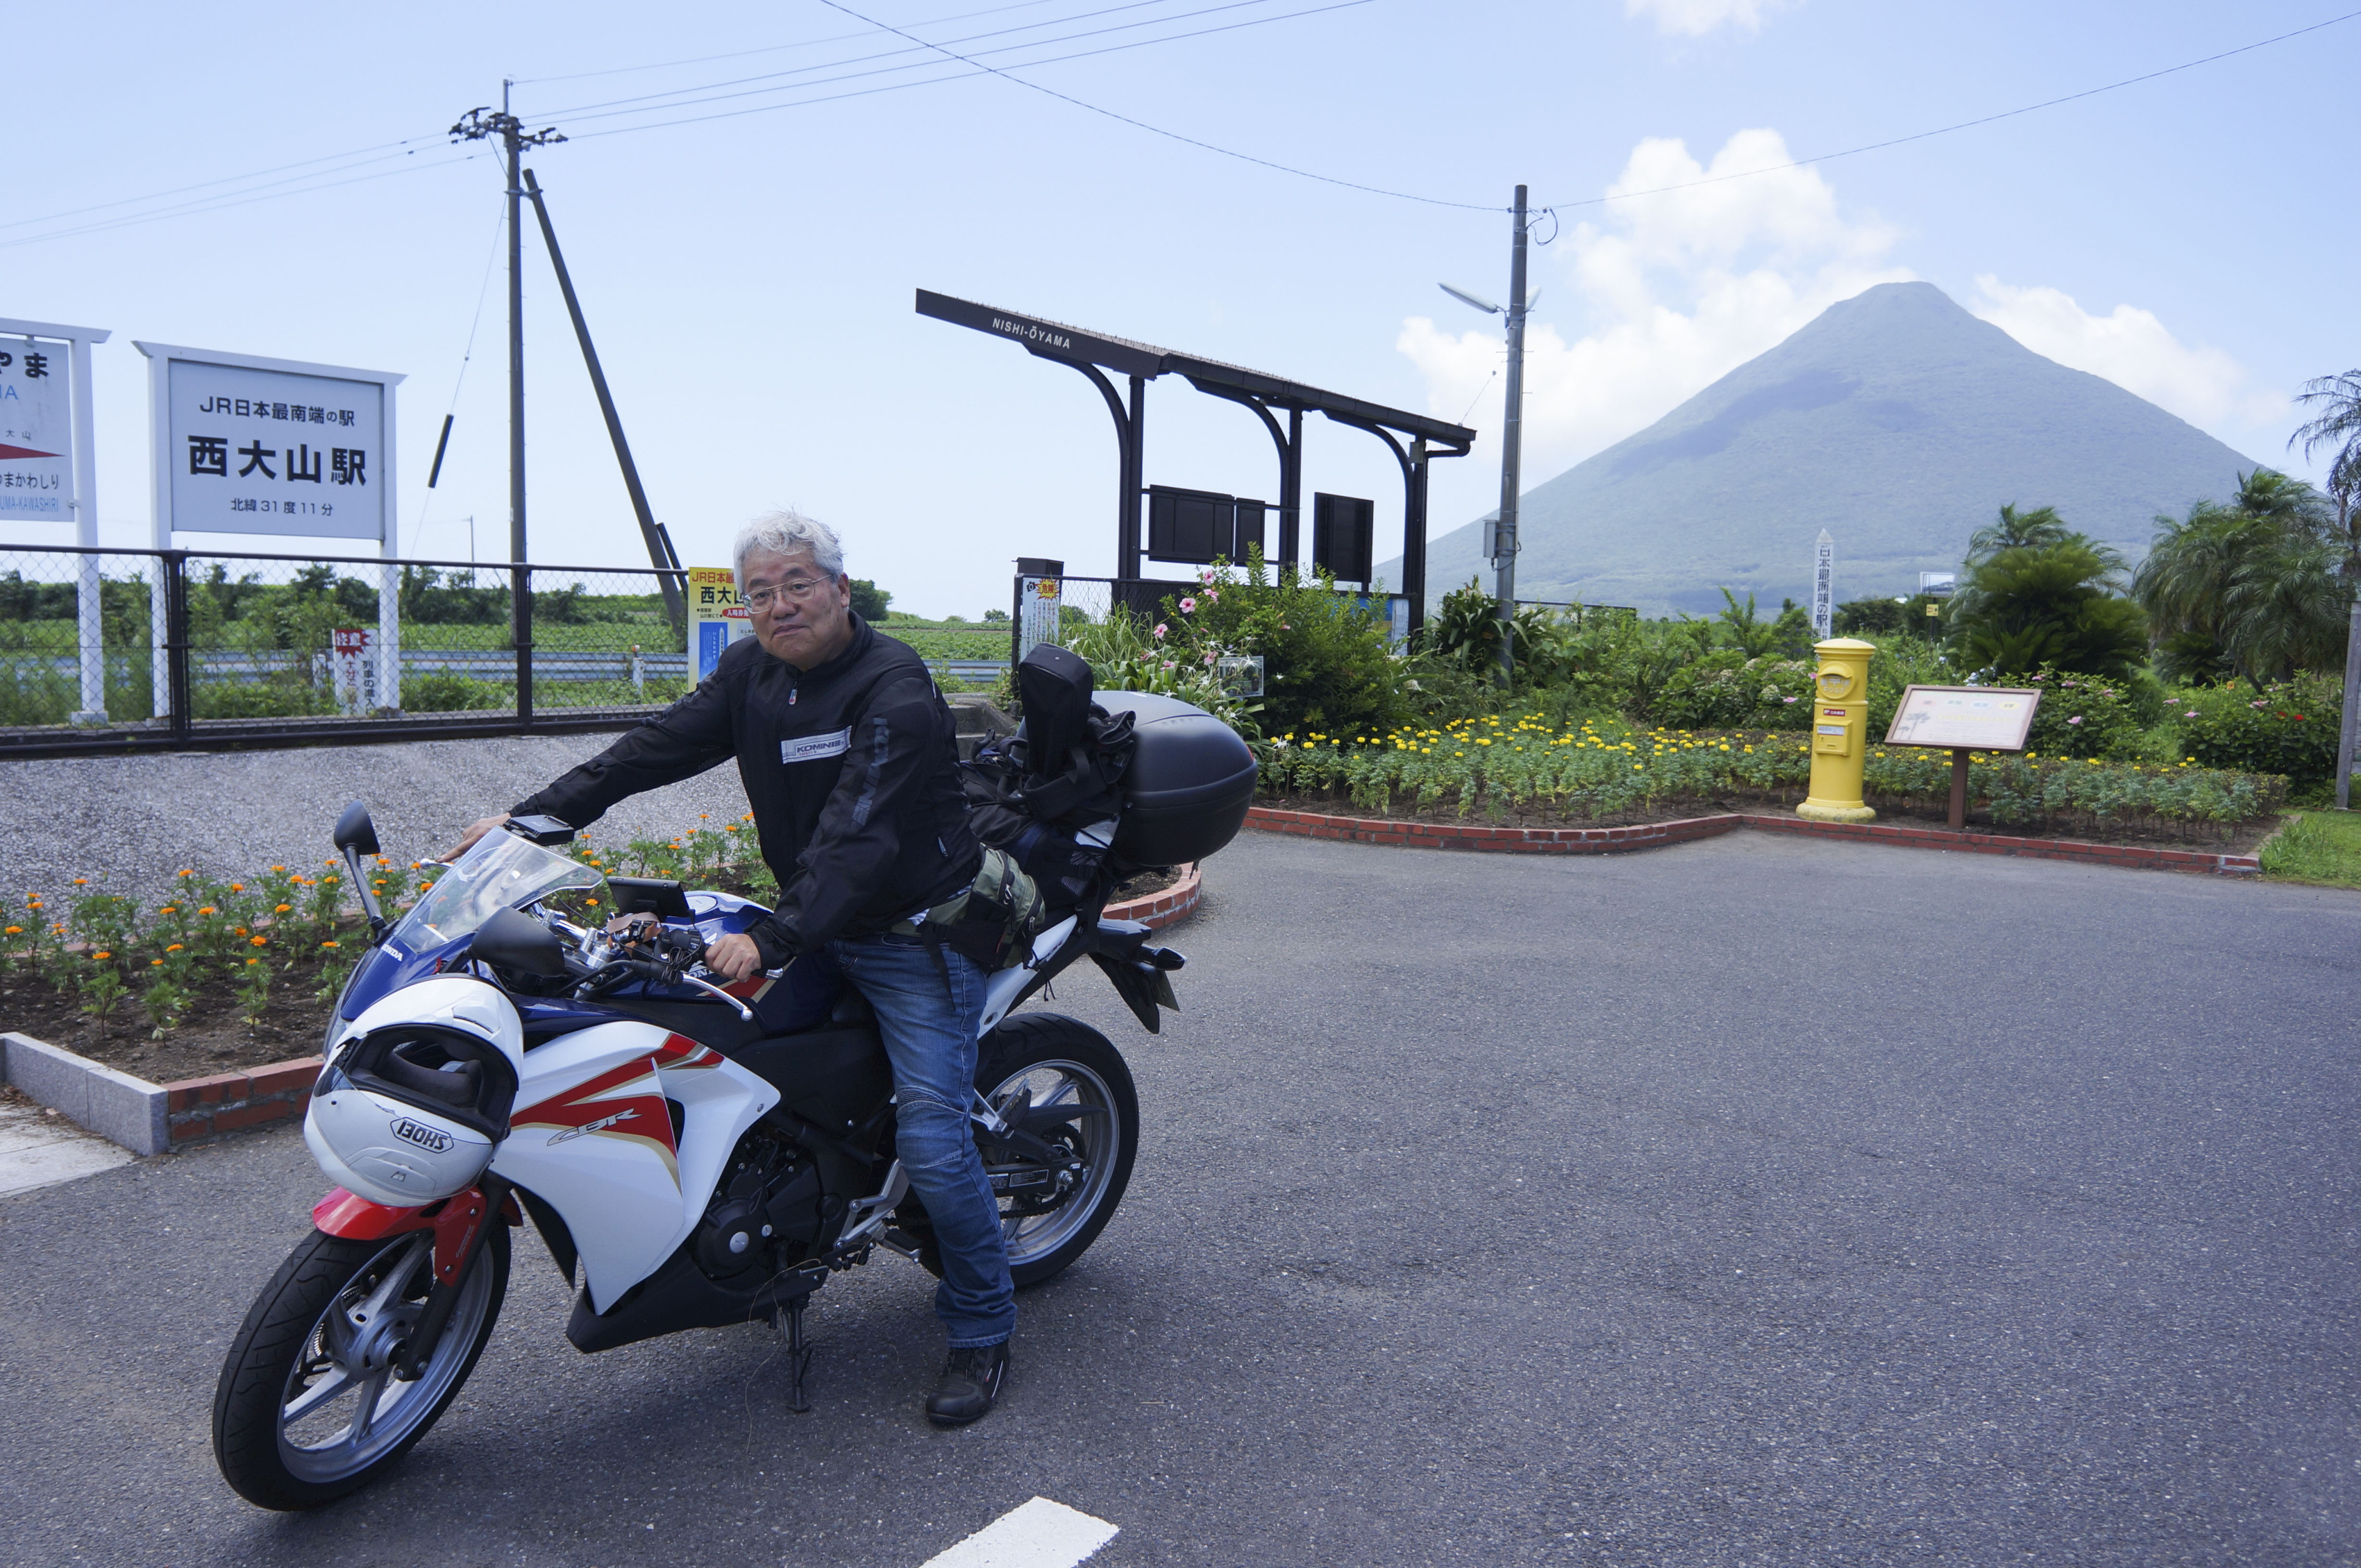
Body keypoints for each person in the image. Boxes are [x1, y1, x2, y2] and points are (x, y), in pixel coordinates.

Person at [443, 509, 1013, 1426]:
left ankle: (983, 1326)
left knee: (936, 1148)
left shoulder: (893, 687)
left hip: (916, 936)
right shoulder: (754, 671)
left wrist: (777, 939)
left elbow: (860, 833)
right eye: (759, 593)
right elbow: (653, 748)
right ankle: (771, 1235)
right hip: (822, 918)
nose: (780, 606)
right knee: (723, 1063)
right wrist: (532, 822)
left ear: (840, 588)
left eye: (797, 584)